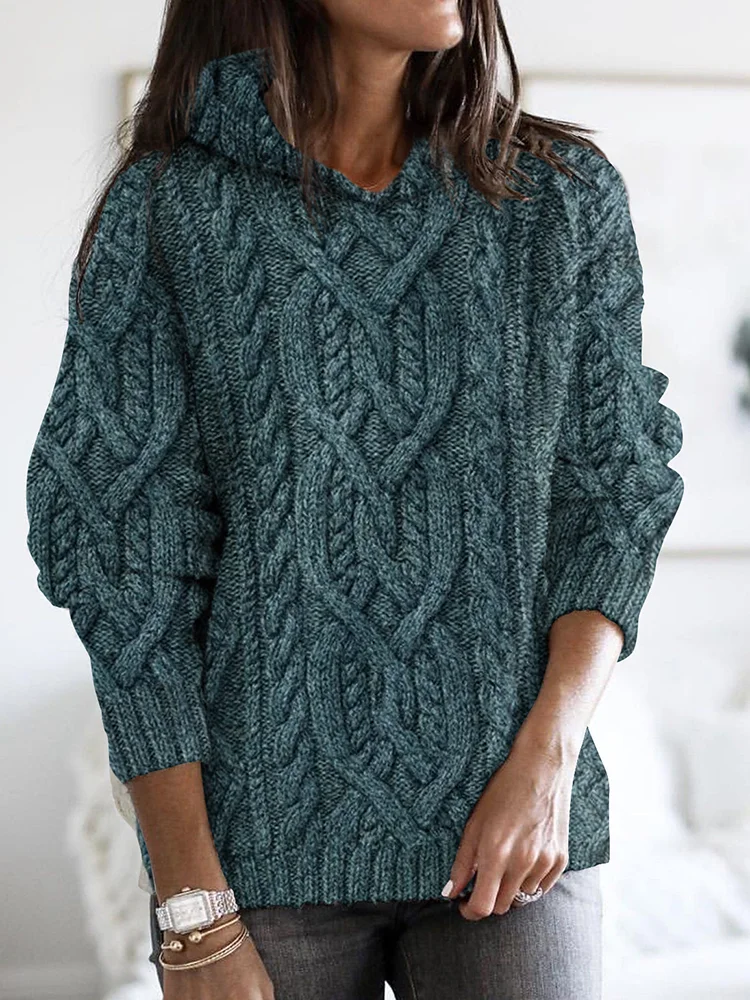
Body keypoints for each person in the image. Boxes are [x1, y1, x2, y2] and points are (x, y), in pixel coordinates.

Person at [24, 1, 685, 998]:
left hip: (514, 841)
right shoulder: (174, 209)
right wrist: (190, 905)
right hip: (260, 860)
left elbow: (616, 491)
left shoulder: (560, 197)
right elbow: (122, 563)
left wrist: (549, 759)